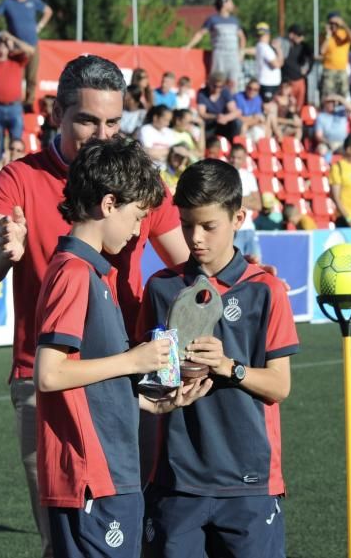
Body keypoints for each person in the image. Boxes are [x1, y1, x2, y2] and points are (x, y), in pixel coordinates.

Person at [0, 55, 189, 558]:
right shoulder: (20, 178)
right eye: (88, 120)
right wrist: (4, 253)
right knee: (66, 536)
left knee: (138, 527)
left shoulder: (136, 179)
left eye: (113, 121)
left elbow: (186, 269)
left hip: (130, 377)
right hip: (46, 379)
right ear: (57, 115)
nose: (102, 133)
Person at [34, 137, 210, 558]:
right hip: (92, 476)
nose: (137, 231)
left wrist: (151, 404)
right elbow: (50, 373)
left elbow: (92, 380)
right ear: (109, 203)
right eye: (136, 217)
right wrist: (134, 359)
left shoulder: (93, 273)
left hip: (111, 471)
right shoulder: (75, 273)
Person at [137, 158, 297, 558]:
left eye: (209, 226)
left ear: (238, 218)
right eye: (187, 224)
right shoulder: (161, 288)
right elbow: (146, 379)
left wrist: (230, 367)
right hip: (175, 483)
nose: (196, 238)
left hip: (249, 484)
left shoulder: (265, 289)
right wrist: (170, 371)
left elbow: (280, 386)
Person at [0, 0, 52, 111]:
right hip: (16, 47)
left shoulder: (33, 1)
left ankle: (29, 102)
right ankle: (16, 100)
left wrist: (40, 26)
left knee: (32, 76)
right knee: (16, 75)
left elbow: (48, 11)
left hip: (32, 44)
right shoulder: (8, 2)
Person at [185, 0, 246, 90]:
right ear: (224, 3)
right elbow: (201, 33)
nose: (232, 4)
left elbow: (242, 37)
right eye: (230, 2)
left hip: (233, 55)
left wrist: (241, 53)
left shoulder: (235, 21)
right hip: (220, 54)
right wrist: (189, 46)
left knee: (233, 82)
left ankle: (231, 102)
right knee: (218, 80)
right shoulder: (213, 20)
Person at [228, 144, 263, 258]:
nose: (235, 161)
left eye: (239, 158)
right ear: (229, 156)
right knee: (234, 268)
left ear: (244, 159)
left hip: (249, 229)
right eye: (233, 157)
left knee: (257, 266)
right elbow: (226, 201)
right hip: (232, 229)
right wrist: (247, 199)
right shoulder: (224, 176)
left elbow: (258, 205)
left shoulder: (249, 176)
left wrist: (237, 199)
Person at [319, 11, 351, 100]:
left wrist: (344, 25)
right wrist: (328, 35)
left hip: (342, 69)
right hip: (329, 70)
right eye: (331, 23)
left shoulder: (343, 33)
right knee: (328, 94)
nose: (333, 25)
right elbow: (322, 51)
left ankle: (342, 112)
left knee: (344, 94)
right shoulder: (324, 36)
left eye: (336, 23)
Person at [197, 71, 242, 141]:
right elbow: (202, 113)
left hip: (224, 122)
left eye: (220, 87)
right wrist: (216, 116)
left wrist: (225, 118)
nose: (217, 89)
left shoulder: (225, 92)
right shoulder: (202, 93)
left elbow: (235, 111)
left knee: (237, 122)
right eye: (215, 86)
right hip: (210, 122)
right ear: (210, 83)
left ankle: (234, 143)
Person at [279, 24, 311, 111]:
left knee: (299, 106)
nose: (301, 38)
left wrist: (307, 70)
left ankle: (298, 121)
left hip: (300, 81)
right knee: (287, 105)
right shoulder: (283, 44)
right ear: (291, 35)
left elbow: (311, 59)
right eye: (299, 35)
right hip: (287, 83)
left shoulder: (304, 46)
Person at [253, 22, 283, 101]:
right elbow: (277, 64)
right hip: (268, 83)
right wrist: (279, 49)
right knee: (268, 106)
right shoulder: (265, 47)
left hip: (268, 82)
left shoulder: (260, 46)